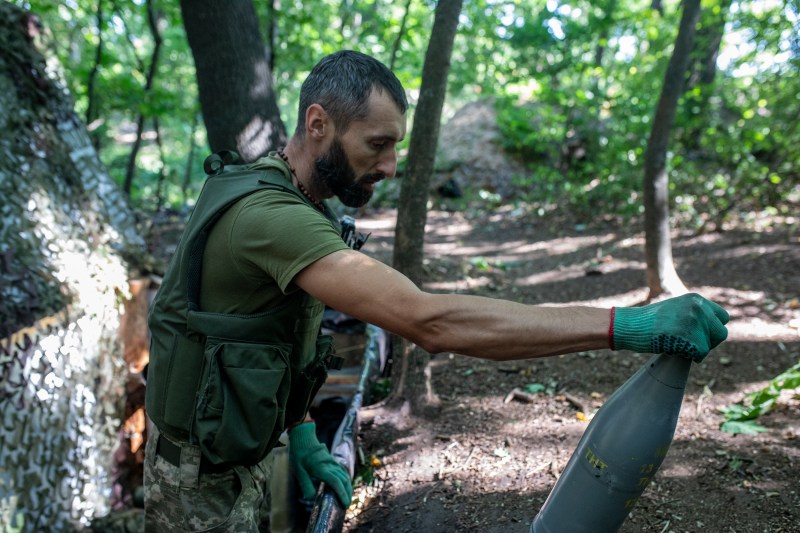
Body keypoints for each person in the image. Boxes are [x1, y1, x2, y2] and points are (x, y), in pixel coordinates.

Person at [143, 50, 730, 532]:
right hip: (201, 480)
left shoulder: (289, 192)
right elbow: (429, 321)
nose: (392, 165)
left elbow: (272, 324)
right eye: (376, 144)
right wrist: (627, 325)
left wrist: (300, 433)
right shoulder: (271, 217)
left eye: (395, 145)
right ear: (318, 124)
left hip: (233, 450)